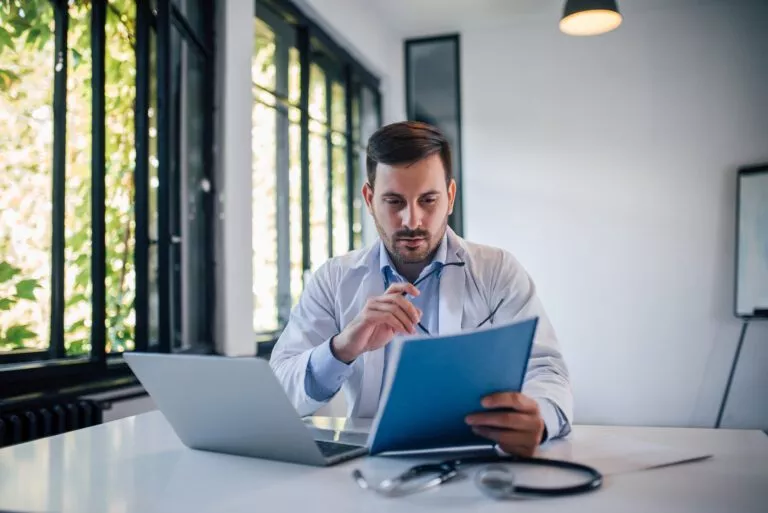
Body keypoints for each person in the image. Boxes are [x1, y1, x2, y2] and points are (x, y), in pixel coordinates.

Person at [270, 121, 572, 456]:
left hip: (479, 457)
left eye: (428, 200)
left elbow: (547, 369)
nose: (412, 221)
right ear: (369, 199)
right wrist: (341, 348)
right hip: (369, 468)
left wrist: (539, 420)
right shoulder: (334, 280)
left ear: (450, 196)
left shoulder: (498, 271)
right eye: (394, 201)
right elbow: (278, 390)